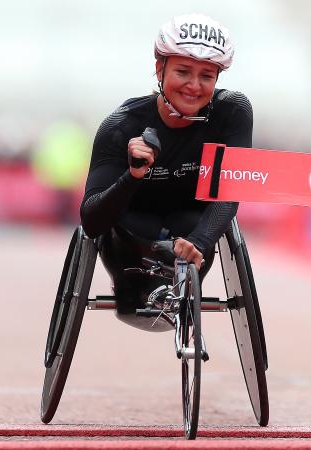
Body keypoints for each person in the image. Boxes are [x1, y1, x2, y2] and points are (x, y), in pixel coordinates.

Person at [80, 13, 253, 313]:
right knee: (135, 223)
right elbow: (92, 221)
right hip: (130, 244)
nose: (194, 86)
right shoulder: (121, 125)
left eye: (207, 76)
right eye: (183, 72)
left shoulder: (232, 112)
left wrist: (198, 241)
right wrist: (132, 175)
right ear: (160, 68)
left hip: (193, 241)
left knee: (189, 222)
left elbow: (229, 191)